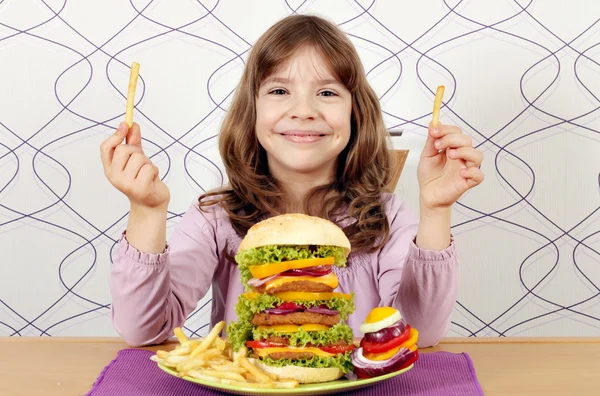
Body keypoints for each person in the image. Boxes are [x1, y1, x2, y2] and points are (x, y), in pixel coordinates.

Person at [100, 14, 483, 348]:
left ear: (355, 114)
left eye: (327, 92)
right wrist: (147, 211)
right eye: (280, 91)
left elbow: (420, 332)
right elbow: (142, 331)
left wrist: (435, 210)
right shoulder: (216, 219)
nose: (303, 111)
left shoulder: (386, 217)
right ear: (252, 111)